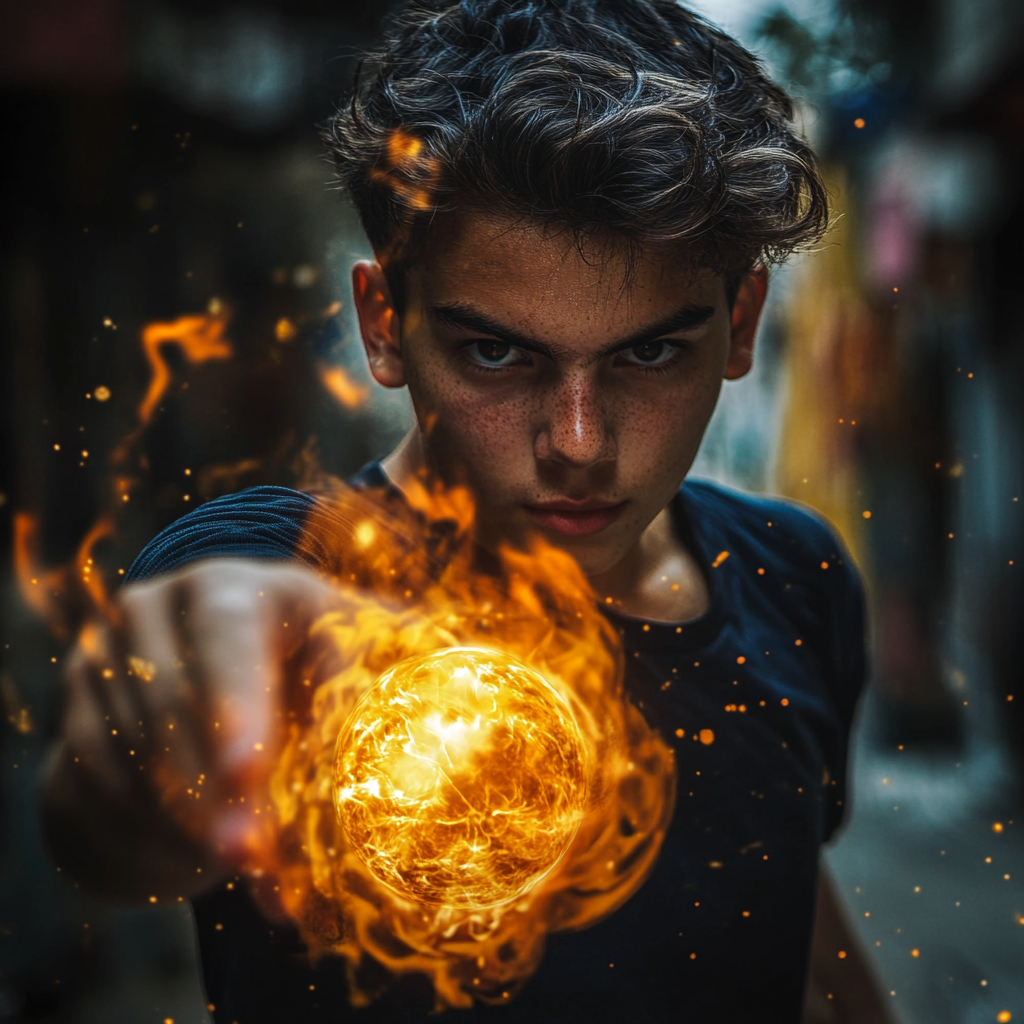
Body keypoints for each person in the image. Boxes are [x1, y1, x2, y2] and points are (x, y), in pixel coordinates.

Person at [41, 1, 895, 1021]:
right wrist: (164, 735)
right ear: (386, 325)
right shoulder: (283, 567)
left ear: (741, 322)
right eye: (496, 352)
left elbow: (793, 921)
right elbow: (123, 801)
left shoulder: (791, 574)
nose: (577, 442)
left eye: (649, 351)